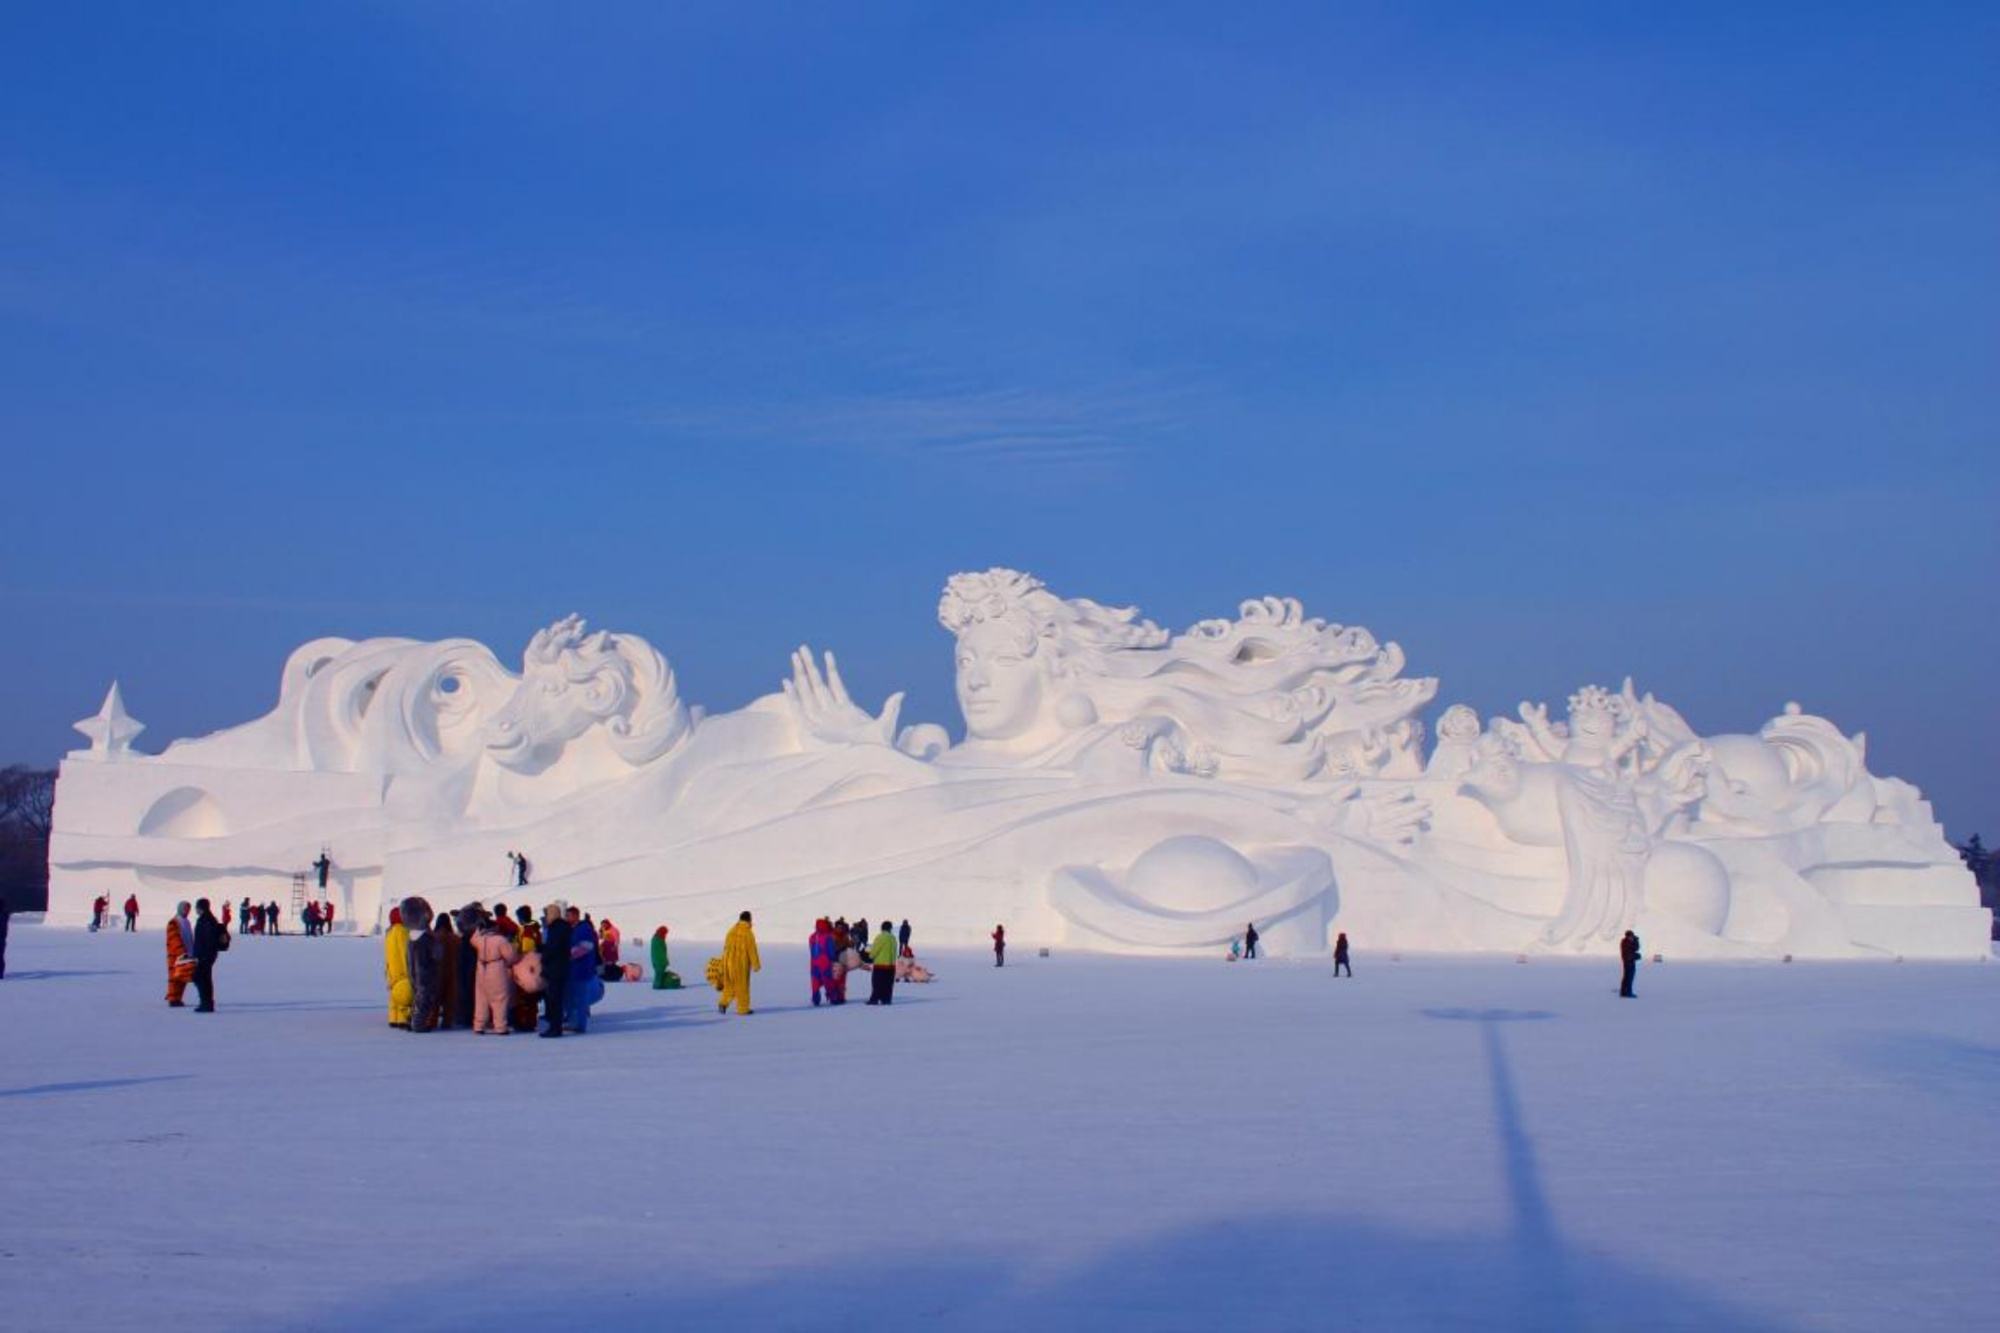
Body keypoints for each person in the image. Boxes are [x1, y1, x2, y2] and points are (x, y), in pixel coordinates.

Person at [472, 913, 517, 1035]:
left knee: (481, 998)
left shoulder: (479, 940)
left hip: (481, 969)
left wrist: (478, 929)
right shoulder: (501, 940)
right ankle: (500, 1027)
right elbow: (511, 957)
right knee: (499, 998)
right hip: (496, 968)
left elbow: (472, 940)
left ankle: (478, 1025)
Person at [406, 899, 443, 1032]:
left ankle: (413, 1021)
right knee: (425, 998)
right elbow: (438, 955)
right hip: (427, 972)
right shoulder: (428, 938)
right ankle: (418, 1024)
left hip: (413, 972)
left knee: (417, 996)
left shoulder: (410, 938)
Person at [539, 902, 573, 1038]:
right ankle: (555, 1026)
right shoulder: (564, 927)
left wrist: (544, 956)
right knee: (556, 999)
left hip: (555, 968)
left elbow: (553, 948)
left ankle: (555, 1028)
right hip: (562, 967)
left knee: (554, 999)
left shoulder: (555, 928)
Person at [565, 906, 600, 1033]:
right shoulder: (573, 929)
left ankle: (580, 1025)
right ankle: (573, 1021)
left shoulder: (584, 929)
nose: (567, 918)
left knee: (580, 998)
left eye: (568, 915)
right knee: (573, 997)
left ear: (575, 916)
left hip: (582, 969)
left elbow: (586, 946)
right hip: (574, 969)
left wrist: (568, 955)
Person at [719, 910, 761, 1015]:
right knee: (742, 986)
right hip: (741, 964)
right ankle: (743, 1009)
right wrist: (756, 965)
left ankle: (723, 1003)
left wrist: (723, 962)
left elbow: (726, 947)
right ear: (748, 919)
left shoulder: (731, 930)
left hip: (728, 962)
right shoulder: (748, 933)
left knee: (729, 985)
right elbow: (752, 949)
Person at [191, 898, 226, 1012]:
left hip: (205, 955)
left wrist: (204, 955)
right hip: (206, 954)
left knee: (201, 978)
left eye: (197, 907)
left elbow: (208, 939)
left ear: (201, 908)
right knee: (204, 978)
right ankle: (206, 1002)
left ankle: (206, 1003)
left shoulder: (206, 920)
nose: (195, 909)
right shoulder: (207, 919)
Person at [384, 906, 413, 1029]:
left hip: (392, 971)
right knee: (405, 995)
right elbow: (405, 952)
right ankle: (402, 1018)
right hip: (402, 970)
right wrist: (410, 967)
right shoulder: (402, 931)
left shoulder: (389, 933)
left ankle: (393, 1018)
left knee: (394, 996)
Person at [165, 901, 197, 1006]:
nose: (187, 911)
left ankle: (178, 998)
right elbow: (174, 939)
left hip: (187, 954)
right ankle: (173, 999)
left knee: (182, 977)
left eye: (188, 909)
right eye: (185, 908)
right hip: (176, 955)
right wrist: (181, 952)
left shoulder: (186, 921)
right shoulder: (174, 922)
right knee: (174, 978)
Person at [866, 918, 899, 1005]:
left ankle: (874, 999)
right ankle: (886, 999)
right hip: (891, 965)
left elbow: (875, 950)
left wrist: (870, 956)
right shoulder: (893, 938)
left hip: (880, 965)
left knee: (877, 983)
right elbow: (895, 951)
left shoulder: (880, 937)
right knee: (888, 984)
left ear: (882, 928)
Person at [809, 918, 835, 1006]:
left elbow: (811, 950)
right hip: (825, 962)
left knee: (815, 982)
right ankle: (832, 998)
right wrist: (832, 959)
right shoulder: (828, 937)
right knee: (828, 981)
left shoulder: (812, 937)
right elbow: (831, 951)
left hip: (814, 963)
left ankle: (816, 999)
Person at [650, 925, 674, 990]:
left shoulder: (656, 939)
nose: (666, 935)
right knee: (659, 973)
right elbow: (661, 952)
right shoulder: (659, 940)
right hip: (659, 961)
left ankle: (659, 984)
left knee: (659, 973)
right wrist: (665, 961)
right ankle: (657, 986)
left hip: (655, 960)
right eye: (665, 933)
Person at [1619, 929, 1641, 998]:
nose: (1631, 938)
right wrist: (1636, 956)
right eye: (1630, 937)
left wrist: (1636, 940)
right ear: (1627, 937)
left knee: (1627, 977)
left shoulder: (1628, 942)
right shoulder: (1626, 943)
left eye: (1632, 936)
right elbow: (1628, 954)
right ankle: (1627, 992)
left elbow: (1636, 948)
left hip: (1630, 962)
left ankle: (1624, 992)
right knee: (1628, 977)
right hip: (1628, 962)